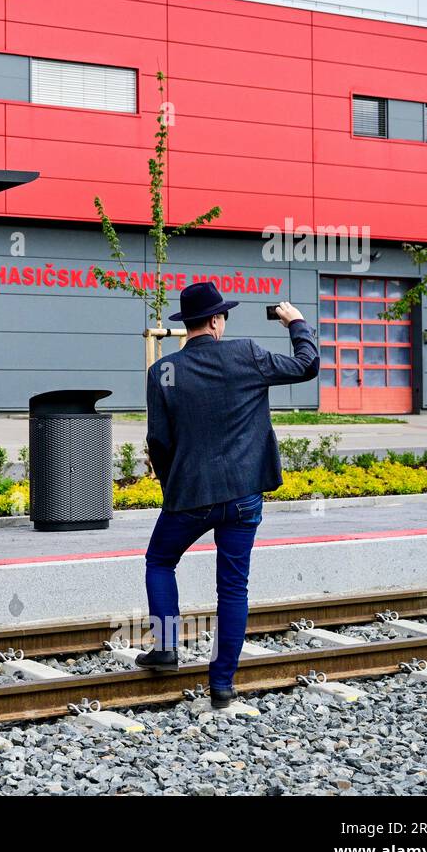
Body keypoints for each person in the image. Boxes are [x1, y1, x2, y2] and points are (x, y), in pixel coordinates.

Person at [136, 281, 318, 708]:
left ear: (188, 325)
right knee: (233, 589)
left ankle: (165, 648)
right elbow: (306, 365)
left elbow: (157, 441)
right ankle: (222, 686)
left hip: (190, 496)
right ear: (217, 320)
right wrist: (297, 324)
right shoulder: (247, 354)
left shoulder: (163, 370)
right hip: (242, 496)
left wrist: (173, 486)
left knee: (160, 561)